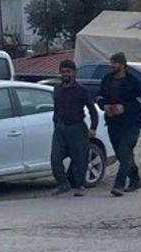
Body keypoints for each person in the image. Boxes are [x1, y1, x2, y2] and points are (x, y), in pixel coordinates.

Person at [96, 52, 141, 196]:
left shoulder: (134, 82)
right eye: (111, 63)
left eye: (115, 63)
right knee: (122, 153)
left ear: (123, 65)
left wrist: (124, 107)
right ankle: (135, 179)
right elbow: (100, 96)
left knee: (124, 151)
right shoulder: (107, 79)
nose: (112, 65)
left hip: (131, 124)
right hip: (113, 123)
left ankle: (119, 184)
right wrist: (104, 106)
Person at [50, 59, 98, 197]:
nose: (65, 74)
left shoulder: (81, 90)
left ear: (74, 73)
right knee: (55, 158)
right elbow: (56, 109)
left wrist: (93, 128)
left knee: (80, 159)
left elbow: (92, 111)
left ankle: (79, 185)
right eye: (63, 71)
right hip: (60, 127)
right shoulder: (57, 89)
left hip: (77, 127)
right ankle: (63, 184)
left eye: (68, 72)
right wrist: (56, 123)